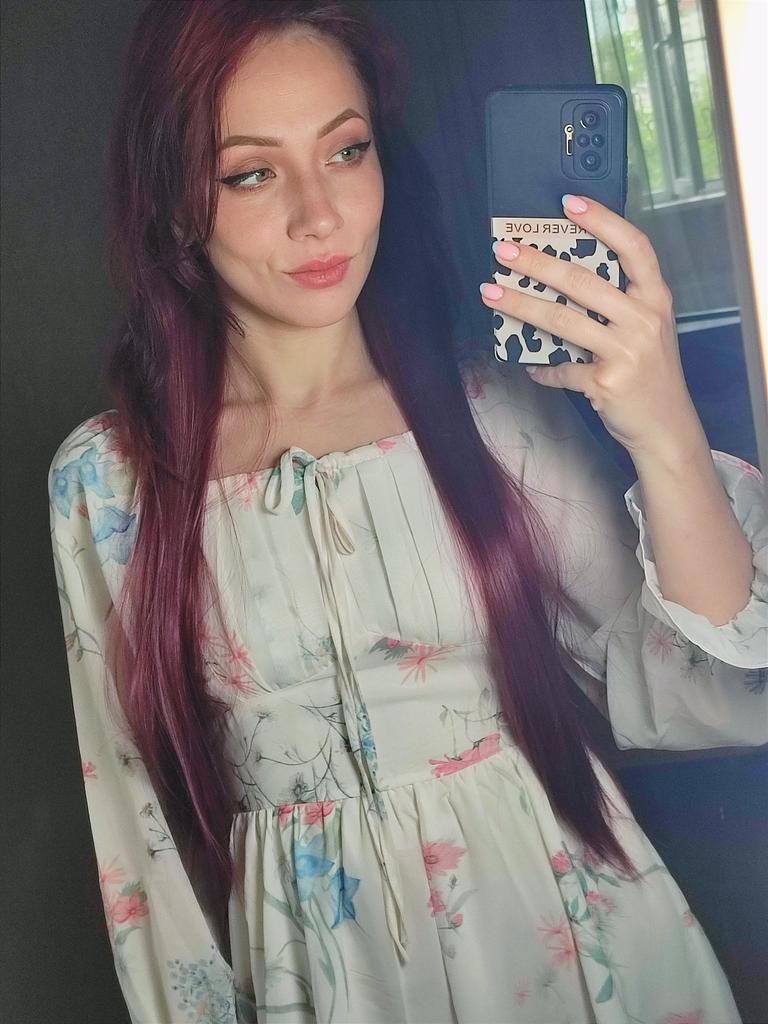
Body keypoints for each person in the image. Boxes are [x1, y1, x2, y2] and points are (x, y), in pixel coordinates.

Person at [47, 2, 768, 1022]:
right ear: (172, 205)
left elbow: (708, 688)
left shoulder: (488, 417)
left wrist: (666, 431)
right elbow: (139, 847)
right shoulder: (109, 483)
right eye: (251, 172)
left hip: (582, 949)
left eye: (347, 150)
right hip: (317, 983)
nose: (320, 215)